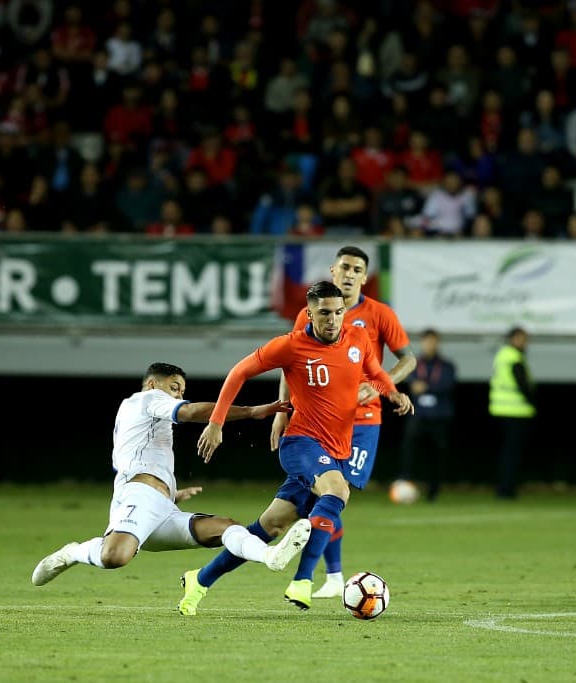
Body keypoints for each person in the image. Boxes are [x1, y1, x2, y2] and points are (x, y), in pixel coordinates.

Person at [181, 281, 414, 614]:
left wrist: (391, 391)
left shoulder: (358, 339)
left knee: (269, 527)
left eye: (337, 312)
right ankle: (303, 580)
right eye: (324, 313)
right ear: (309, 313)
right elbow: (239, 372)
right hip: (300, 443)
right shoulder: (291, 346)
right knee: (337, 491)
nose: (332, 320)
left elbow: (374, 371)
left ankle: (200, 580)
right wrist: (216, 422)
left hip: (336, 448)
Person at [30, 363, 310, 588]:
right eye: (174, 388)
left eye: (181, 391)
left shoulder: (143, 416)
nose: (177, 395)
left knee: (225, 527)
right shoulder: (147, 399)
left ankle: (270, 556)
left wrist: (169, 493)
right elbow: (189, 411)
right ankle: (73, 552)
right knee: (114, 557)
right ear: (153, 384)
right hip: (140, 500)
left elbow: (138, 458)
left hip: (159, 508)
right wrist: (249, 411)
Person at [274, 245, 416, 597]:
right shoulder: (312, 313)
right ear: (333, 271)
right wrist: (282, 410)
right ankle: (330, 575)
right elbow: (289, 363)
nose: (350, 274)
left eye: (357, 269)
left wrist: (382, 385)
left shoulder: (380, 314)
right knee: (319, 497)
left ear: (365, 278)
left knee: (336, 492)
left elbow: (408, 359)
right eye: (345, 267)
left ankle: (328, 575)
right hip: (317, 420)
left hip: (363, 421)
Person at [398, 328, 457, 501]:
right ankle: (405, 482)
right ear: (422, 343)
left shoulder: (447, 365)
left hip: (439, 416)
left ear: (438, 343)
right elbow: (410, 382)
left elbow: (447, 385)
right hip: (419, 415)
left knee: (437, 454)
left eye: (433, 341)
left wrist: (427, 387)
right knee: (408, 450)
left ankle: (434, 491)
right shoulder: (415, 364)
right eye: (427, 341)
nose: (430, 344)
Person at [489, 327, 536, 499]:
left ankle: (504, 487)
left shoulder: (502, 355)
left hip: (500, 410)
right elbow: (523, 385)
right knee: (511, 454)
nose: (525, 343)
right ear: (513, 339)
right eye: (522, 338)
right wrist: (532, 401)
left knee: (505, 453)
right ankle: (506, 489)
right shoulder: (513, 357)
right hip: (515, 411)